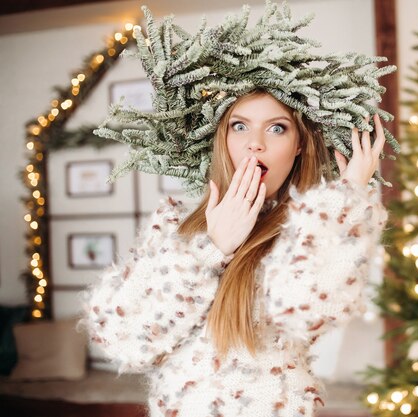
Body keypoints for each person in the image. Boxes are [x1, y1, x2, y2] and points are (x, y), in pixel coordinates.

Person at [81, 3, 397, 417]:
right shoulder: (176, 223)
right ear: (223, 138)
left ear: (300, 143)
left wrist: (348, 197)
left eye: (277, 127)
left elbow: (307, 311)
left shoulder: (311, 230)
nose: (256, 144)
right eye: (240, 125)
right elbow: (121, 337)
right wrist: (210, 248)